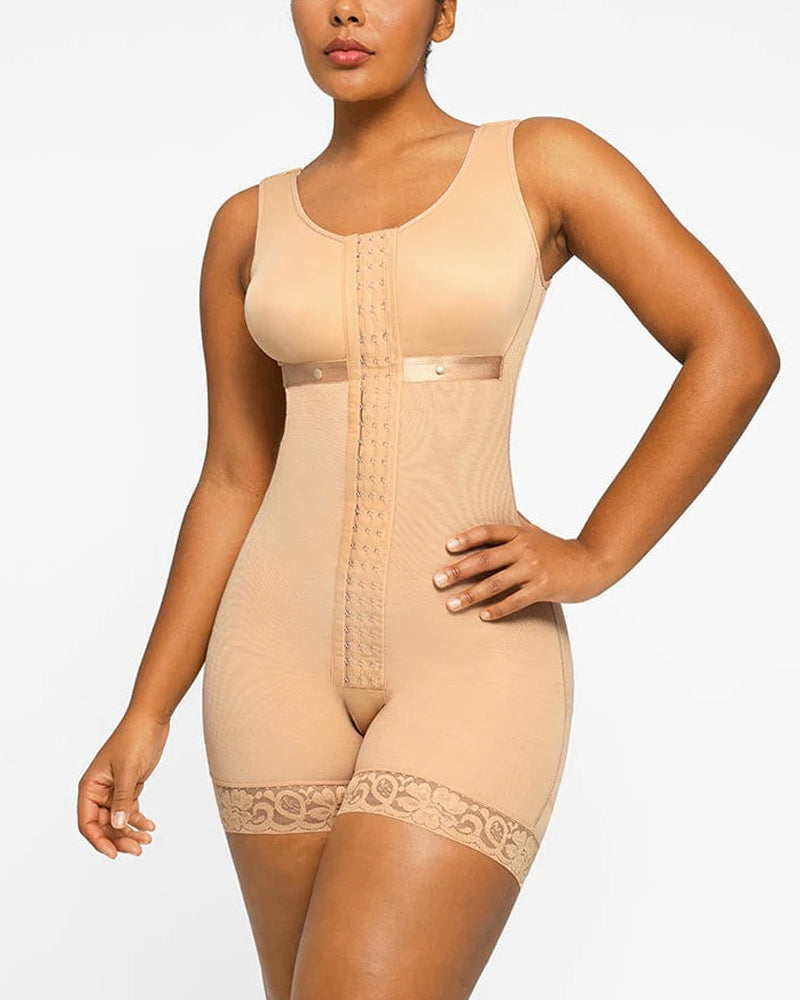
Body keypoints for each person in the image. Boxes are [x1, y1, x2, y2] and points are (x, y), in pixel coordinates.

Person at [76, 2, 780, 997]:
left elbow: (732, 348)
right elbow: (234, 475)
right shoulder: (246, 224)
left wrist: (597, 551)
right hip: (268, 664)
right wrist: (145, 709)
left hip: (471, 650)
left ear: (444, 13)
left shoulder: (541, 162)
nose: (346, 10)